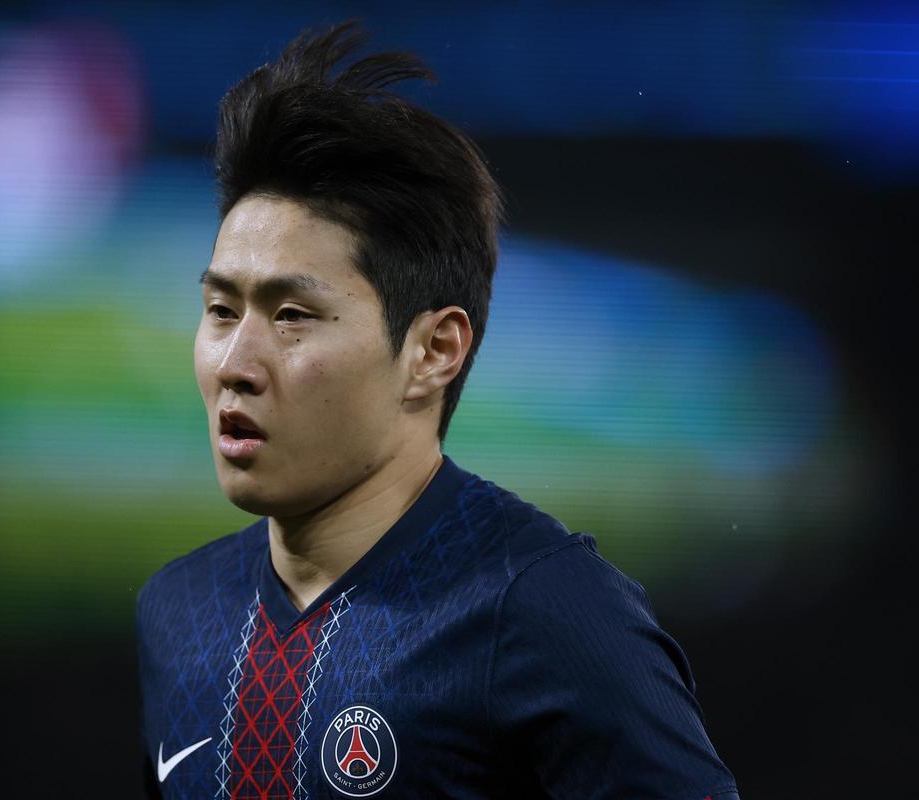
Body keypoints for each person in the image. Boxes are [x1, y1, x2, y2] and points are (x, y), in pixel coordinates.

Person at [136, 20, 739, 800]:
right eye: (221, 310)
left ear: (433, 351)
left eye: (291, 316)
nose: (234, 365)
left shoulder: (543, 612)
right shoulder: (178, 612)